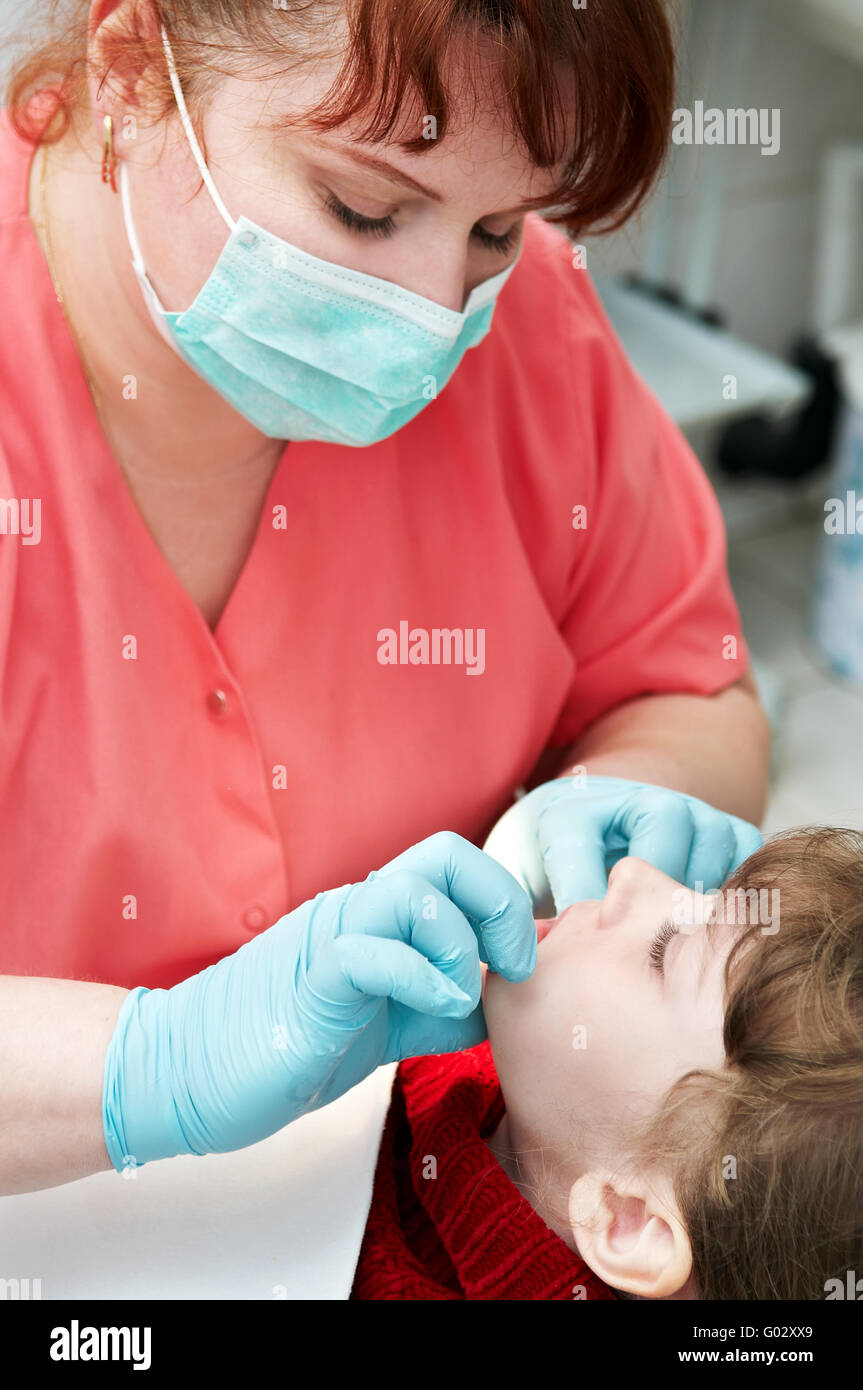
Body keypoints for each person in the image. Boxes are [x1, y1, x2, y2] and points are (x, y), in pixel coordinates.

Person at [0, 0, 767, 1196]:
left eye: (496, 227)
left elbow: (687, 685)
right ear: (131, 65)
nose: (430, 308)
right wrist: (152, 1069)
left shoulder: (521, 328)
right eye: (363, 207)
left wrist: (619, 813)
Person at [352, 828, 863, 1300]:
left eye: (664, 951)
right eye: (708, 893)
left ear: (627, 1221)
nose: (631, 873)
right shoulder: (507, 1072)